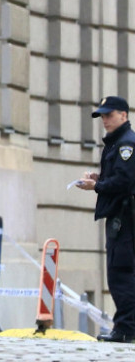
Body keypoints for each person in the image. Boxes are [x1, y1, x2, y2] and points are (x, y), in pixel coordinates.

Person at [74, 95, 135, 342]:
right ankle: (126, 326)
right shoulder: (117, 143)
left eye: (109, 115)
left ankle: (125, 329)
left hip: (125, 216)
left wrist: (96, 187)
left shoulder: (125, 144)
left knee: (121, 273)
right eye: (102, 116)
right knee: (122, 272)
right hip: (122, 214)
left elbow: (124, 182)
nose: (105, 120)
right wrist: (99, 179)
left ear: (124, 115)